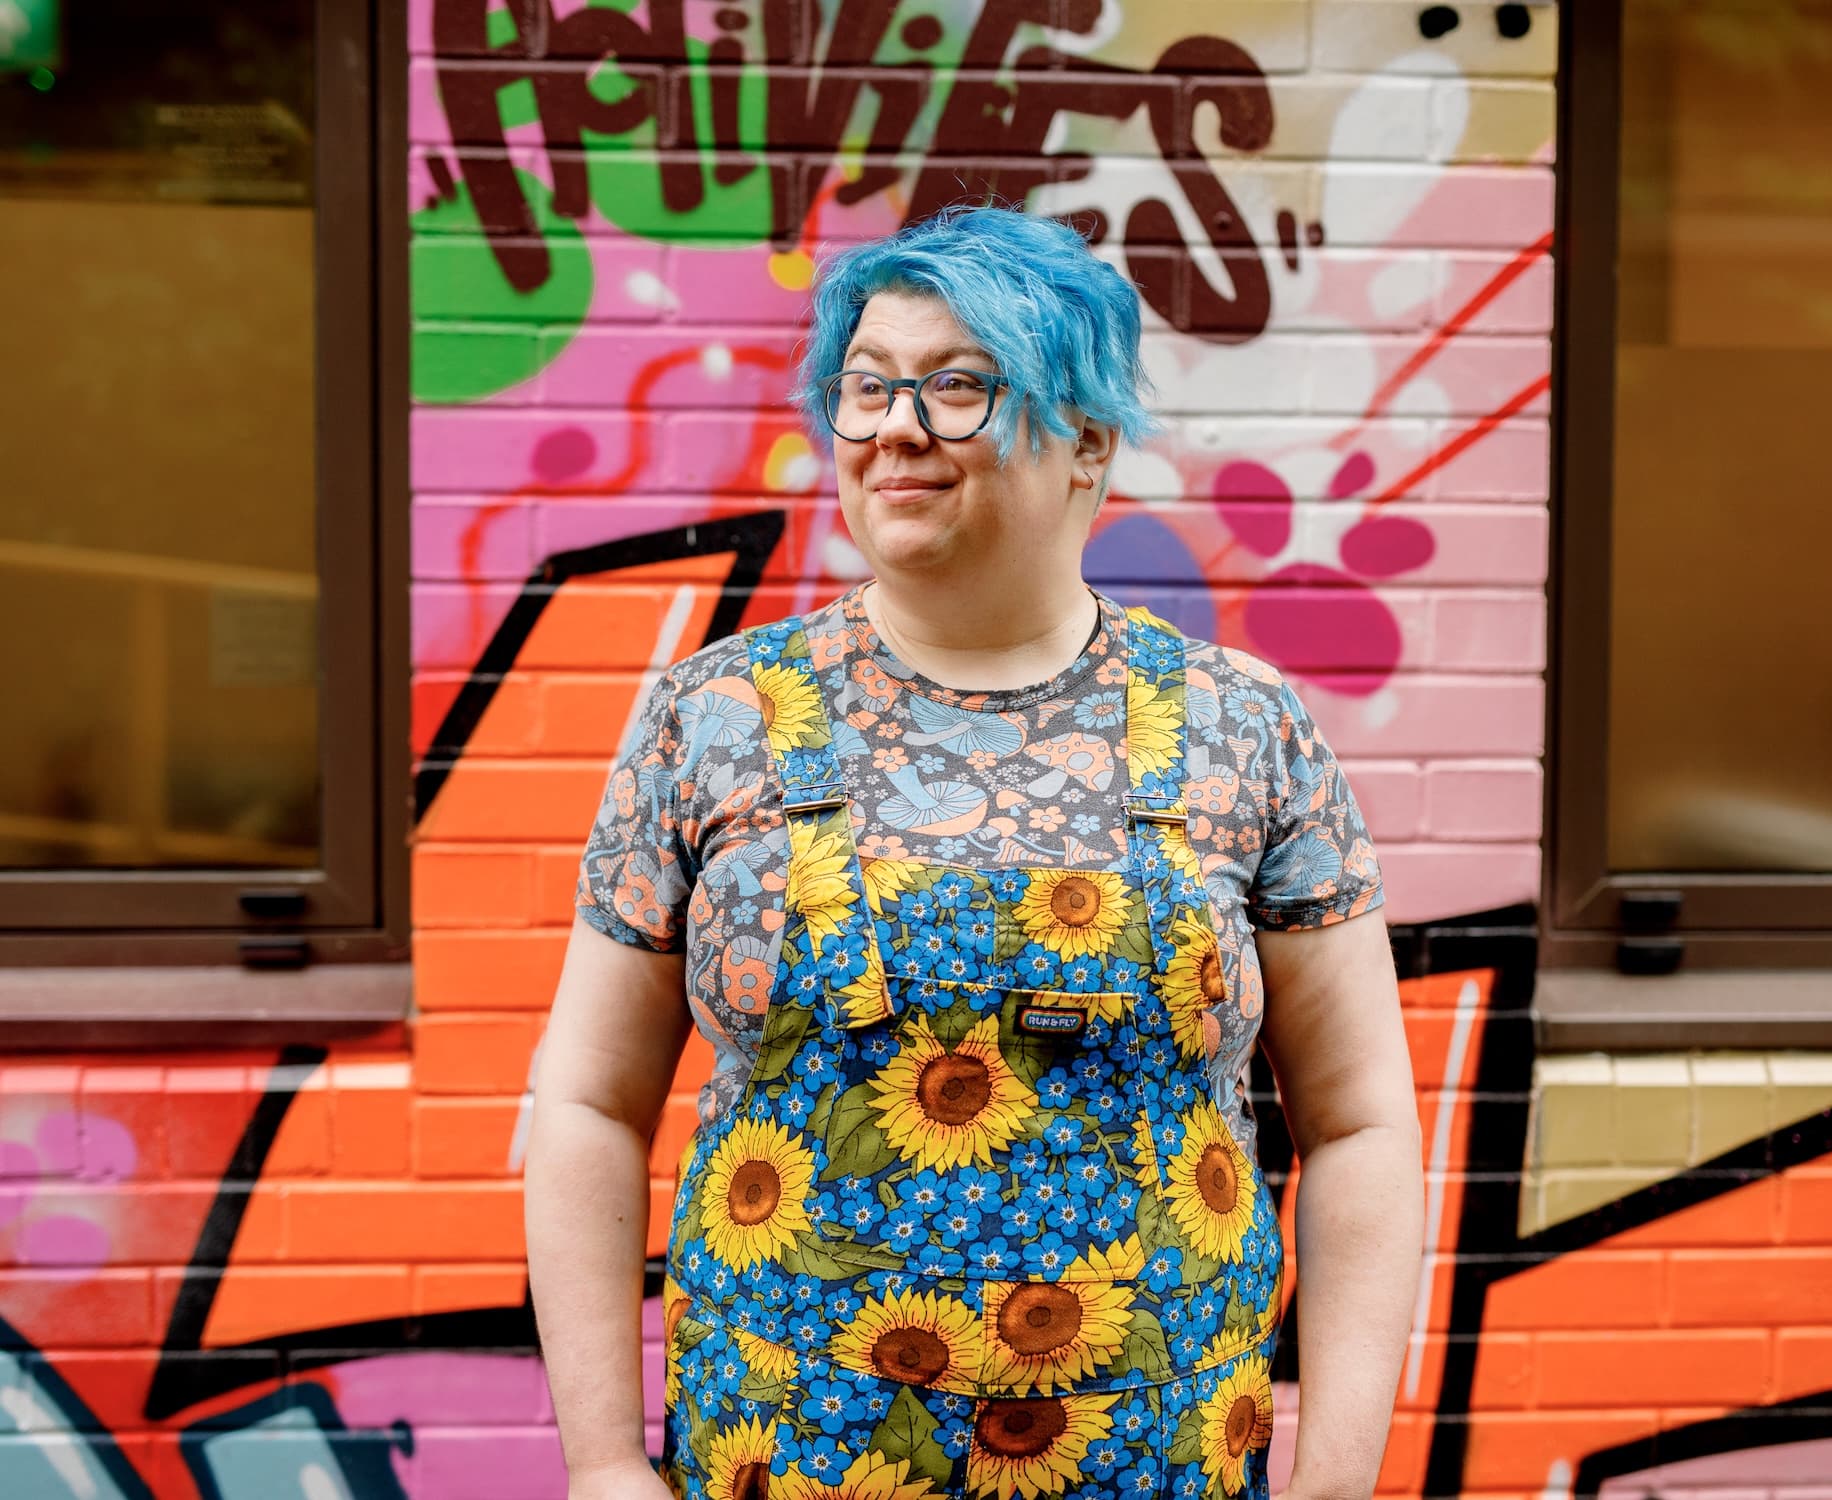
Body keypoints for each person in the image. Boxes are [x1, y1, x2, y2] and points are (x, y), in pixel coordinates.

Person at [525, 206, 1423, 1500]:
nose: (895, 426)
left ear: (1087, 445)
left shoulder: (1244, 728)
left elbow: (1359, 1128)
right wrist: (605, 1462)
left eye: (957, 389)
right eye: (867, 386)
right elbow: (589, 1104)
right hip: (786, 1460)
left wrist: (1334, 1485)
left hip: (1158, 1464)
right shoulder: (713, 721)